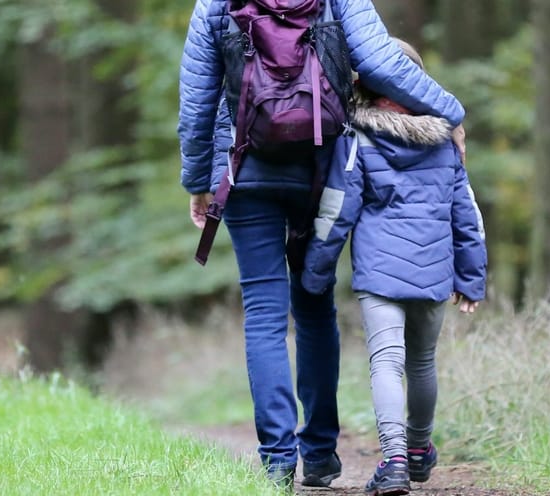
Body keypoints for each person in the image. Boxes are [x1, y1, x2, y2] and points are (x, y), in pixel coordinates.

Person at [178, 0, 467, 489]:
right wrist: (451, 111)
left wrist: (197, 180)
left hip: (244, 167)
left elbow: (197, 99)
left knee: (264, 311)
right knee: (313, 304)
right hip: (322, 167)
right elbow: (381, 62)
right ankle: (319, 453)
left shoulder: (215, 4)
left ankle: (276, 459)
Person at [301, 39, 487, 496]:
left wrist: (316, 272)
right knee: (422, 361)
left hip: (381, 274)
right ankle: (420, 450)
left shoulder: (358, 138)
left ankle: (396, 460)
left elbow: (337, 209)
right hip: (434, 269)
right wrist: (472, 277)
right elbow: (467, 215)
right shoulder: (445, 140)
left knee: (386, 362)